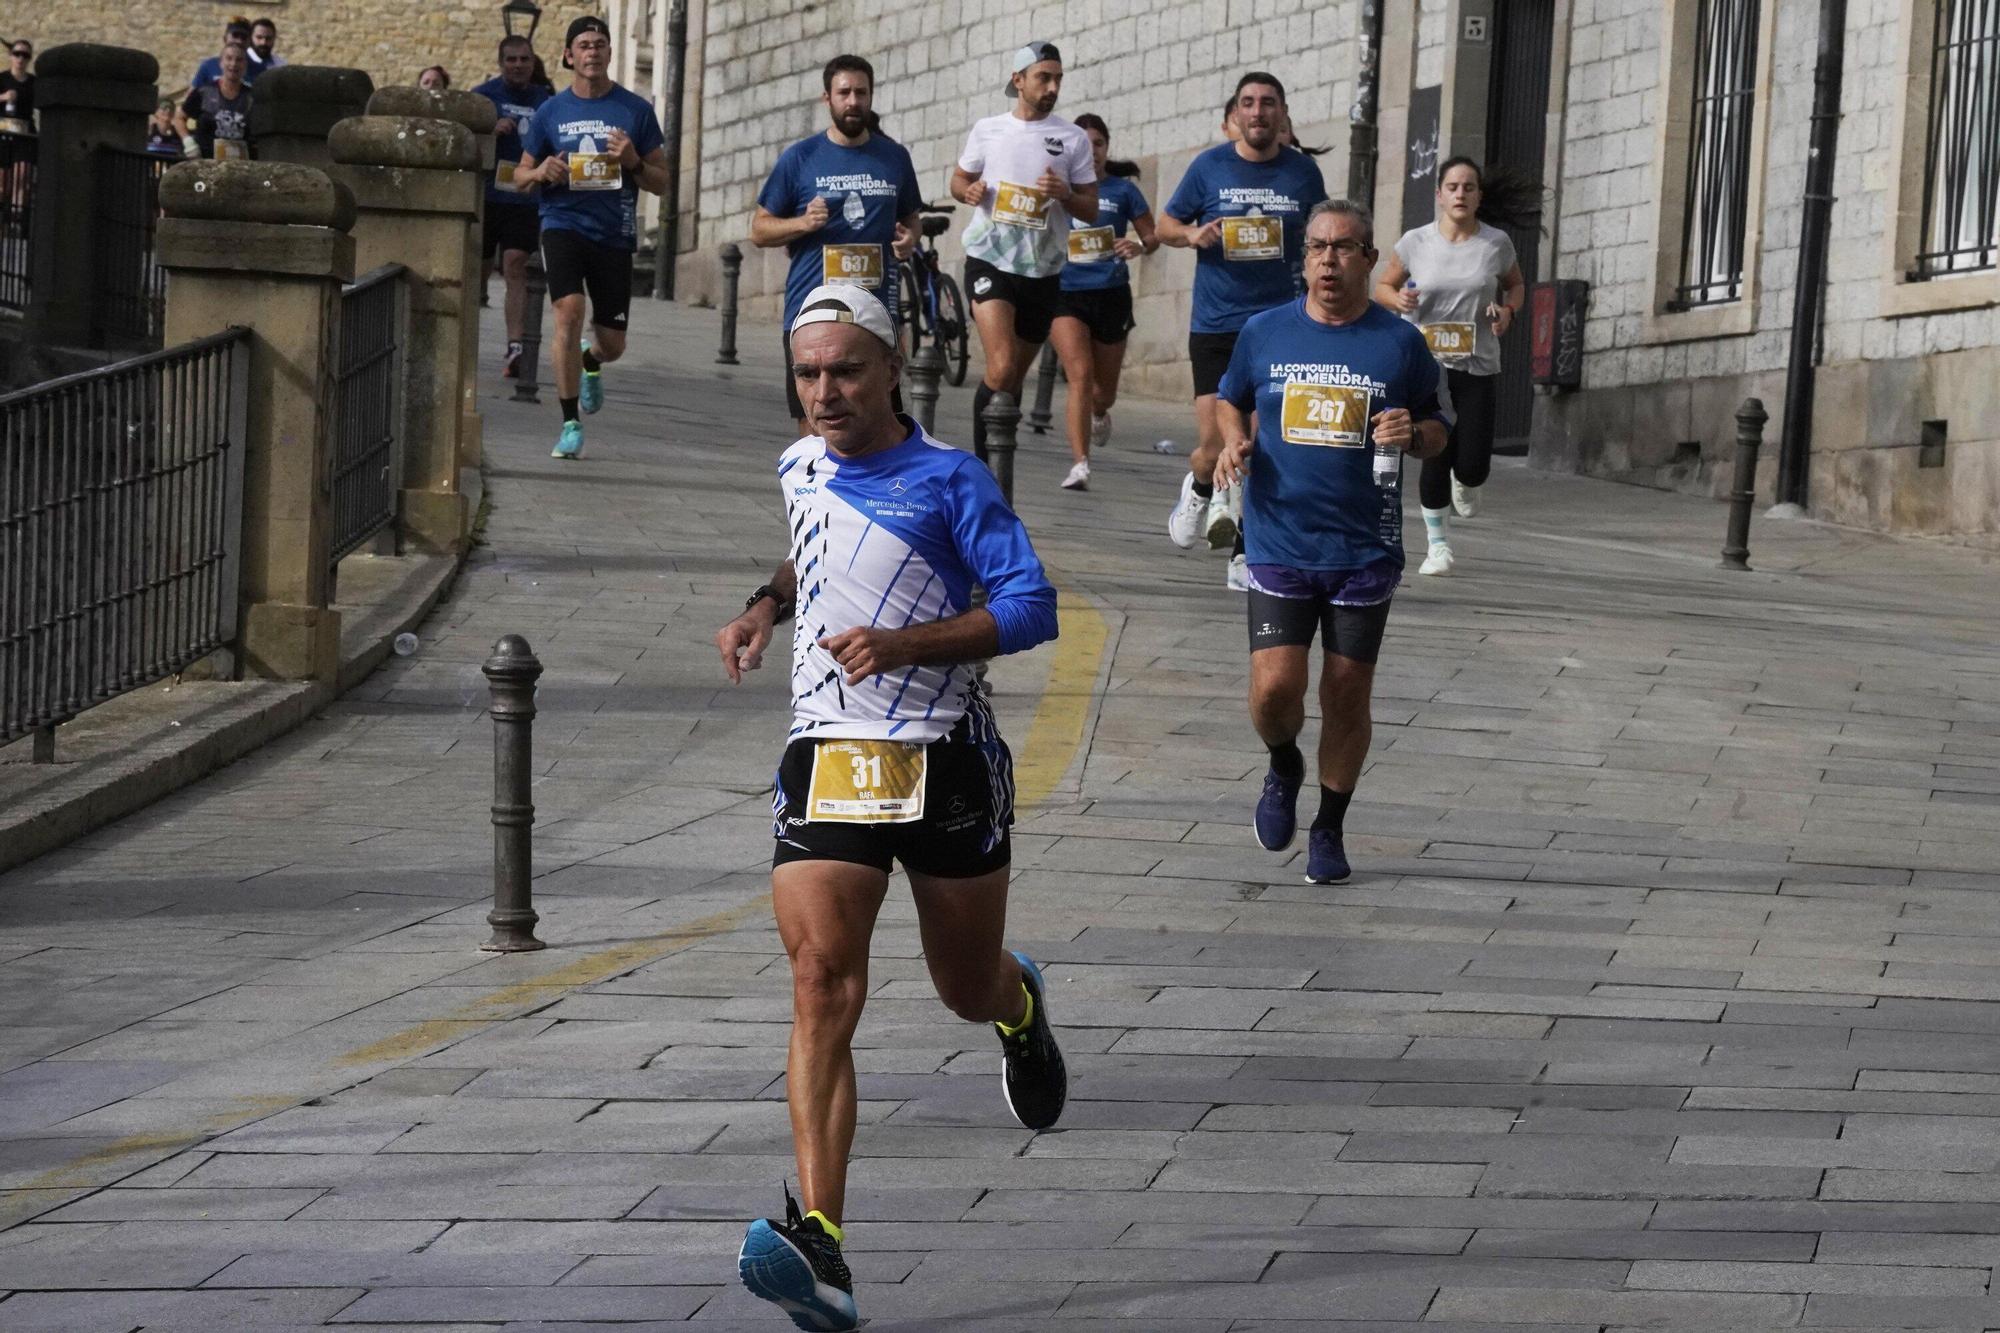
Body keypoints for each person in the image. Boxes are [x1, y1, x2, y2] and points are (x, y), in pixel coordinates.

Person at [714, 285, 1065, 1333]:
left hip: (946, 759)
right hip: (829, 754)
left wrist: (905, 646)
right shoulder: (798, 463)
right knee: (821, 980)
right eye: (808, 373)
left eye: (845, 371)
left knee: (963, 987)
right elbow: (811, 546)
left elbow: (1030, 605)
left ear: (893, 366)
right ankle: (821, 1244)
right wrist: (765, 606)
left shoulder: (951, 479)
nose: (824, 392)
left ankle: (1017, 1006)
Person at [1211, 200, 1449, 884]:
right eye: (1317, 247)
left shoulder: (1400, 343)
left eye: (1344, 248)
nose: (1328, 260)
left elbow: (1438, 429)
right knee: (1275, 689)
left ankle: (1330, 826)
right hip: (1278, 538)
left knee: (1345, 693)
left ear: (1368, 259)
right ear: (1305, 258)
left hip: (1364, 547)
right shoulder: (1264, 332)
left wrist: (1415, 434)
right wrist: (1233, 438)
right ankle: (1284, 762)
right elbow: (1230, 397)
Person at [1160, 73, 1328, 579]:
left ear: (1282, 113)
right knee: (1215, 447)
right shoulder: (1209, 167)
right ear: (1236, 113)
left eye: (1268, 103)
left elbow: (1321, 235)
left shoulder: (1302, 173)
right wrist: (1192, 235)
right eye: (1249, 103)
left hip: (1278, 326)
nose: (1258, 112)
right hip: (1217, 323)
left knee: (1264, 443)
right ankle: (1200, 486)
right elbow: (1165, 226)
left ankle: (1246, 550)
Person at [515, 16, 670, 459]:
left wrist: (634, 161)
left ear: (609, 53)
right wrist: (540, 172)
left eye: (600, 44)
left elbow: (662, 183)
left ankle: (591, 358)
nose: (593, 52)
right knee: (568, 310)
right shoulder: (551, 112)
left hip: (614, 232)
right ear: (569, 55)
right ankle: (570, 424)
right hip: (561, 223)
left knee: (613, 344)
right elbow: (518, 176)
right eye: (584, 45)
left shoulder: (635, 111)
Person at [752, 53, 923, 436]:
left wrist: (910, 238)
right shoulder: (801, 158)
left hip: (875, 315)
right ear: (827, 98)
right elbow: (760, 230)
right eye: (844, 93)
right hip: (813, 313)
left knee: (882, 426)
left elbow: (912, 218)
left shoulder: (894, 158)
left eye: (861, 93)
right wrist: (803, 223)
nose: (853, 101)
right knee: (817, 426)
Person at [1376, 155, 1528, 576]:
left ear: (1479, 197)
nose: (1461, 194)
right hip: (1429, 367)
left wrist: (1508, 311)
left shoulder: (1496, 244)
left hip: (1476, 365)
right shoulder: (1416, 242)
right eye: (1453, 187)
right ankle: (1438, 546)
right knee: (1434, 452)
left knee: (1474, 464)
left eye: (1469, 187)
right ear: (1439, 195)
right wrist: (1398, 299)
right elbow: (1384, 286)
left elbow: (1516, 285)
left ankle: (1469, 480)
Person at [948, 40, 1097, 462]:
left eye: (1057, 79)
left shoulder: (1072, 139)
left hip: (1042, 270)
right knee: (1001, 365)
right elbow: (959, 181)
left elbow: (1090, 207)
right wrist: (968, 191)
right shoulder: (988, 129)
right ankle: (980, 466)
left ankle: (998, 462)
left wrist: (1065, 193)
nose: (1052, 88)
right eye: (1043, 78)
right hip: (990, 258)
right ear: (1019, 80)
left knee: (1011, 379)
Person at [1048, 113, 1155, 491]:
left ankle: (1099, 411)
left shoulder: (1123, 191)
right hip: (1065, 293)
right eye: (1083, 143)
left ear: (1107, 148)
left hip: (1111, 293)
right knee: (1079, 375)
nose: (1091, 151)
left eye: (1098, 143)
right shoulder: (1058, 188)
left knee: (1102, 392)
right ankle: (1080, 464)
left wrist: (1137, 245)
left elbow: (1152, 236)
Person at [474, 35, 554, 378]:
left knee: (515, 264)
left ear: (533, 63)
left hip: (524, 196)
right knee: (475, 272)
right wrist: (489, 130)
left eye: (524, 59)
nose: (518, 65)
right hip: (485, 196)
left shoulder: (545, 100)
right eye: (511, 59)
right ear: (500, 62)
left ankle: (515, 345)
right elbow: (462, 140)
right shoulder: (482, 97)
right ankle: (463, 340)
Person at [176, 43, 253, 160]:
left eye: (239, 60)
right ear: (221, 63)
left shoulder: (252, 97)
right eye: (229, 58)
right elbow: (179, 118)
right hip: (206, 162)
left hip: (239, 164)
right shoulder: (204, 92)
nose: (233, 64)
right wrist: (188, 142)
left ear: (245, 65)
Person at [191, 20, 259, 90]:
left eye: (244, 38)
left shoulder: (258, 70)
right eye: (235, 36)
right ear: (225, 38)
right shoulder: (208, 66)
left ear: (250, 42)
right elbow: (193, 94)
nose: (239, 41)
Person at [0, 39, 32, 133]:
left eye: (25, 55)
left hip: (26, 131)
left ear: (29, 58)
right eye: (17, 54)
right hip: (3, 129)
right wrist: (4, 97)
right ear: (10, 55)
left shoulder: (34, 81)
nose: (21, 58)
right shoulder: (2, 78)